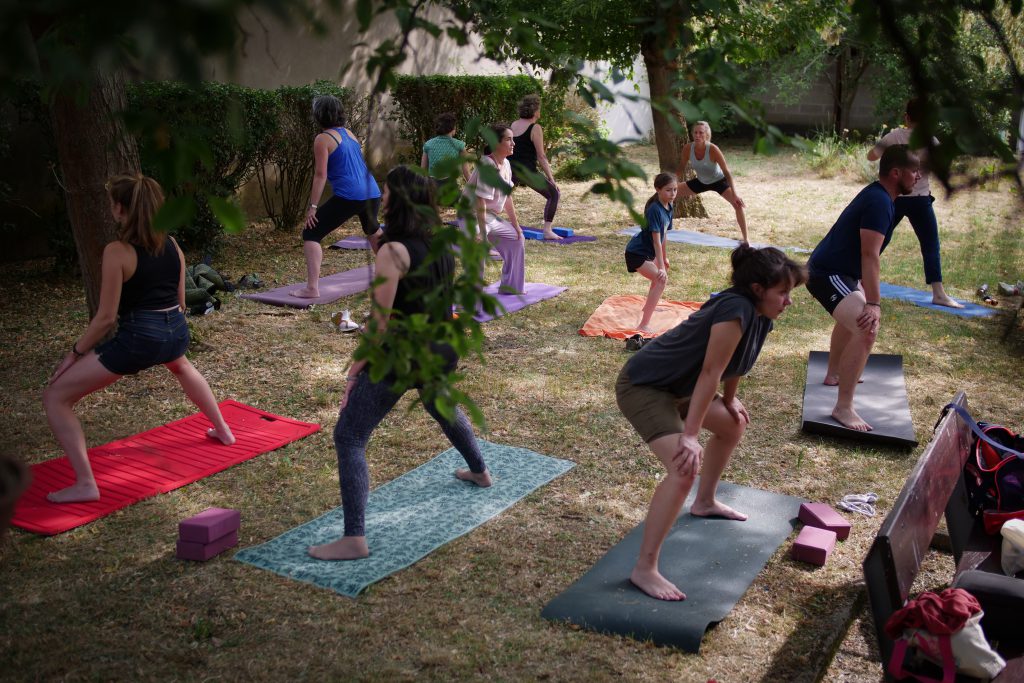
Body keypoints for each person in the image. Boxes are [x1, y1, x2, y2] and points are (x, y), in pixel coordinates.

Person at [308, 166, 492, 561]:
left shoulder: (394, 251)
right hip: (442, 344)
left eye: (387, 191)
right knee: (439, 405)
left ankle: (354, 539)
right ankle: (480, 470)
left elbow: (378, 321)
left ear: (399, 199)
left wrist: (356, 368)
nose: (382, 196)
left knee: (350, 436)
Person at [616, 245, 807, 600]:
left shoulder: (762, 316)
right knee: (683, 466)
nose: (788, 302)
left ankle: (704, 502)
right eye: (783, 293)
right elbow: (710, 371)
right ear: (757, 289)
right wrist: (689, 436)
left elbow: (738, 362)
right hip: (646, 385)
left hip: (682, 386)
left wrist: (731, 400)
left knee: (732, 425)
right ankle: (645, 568)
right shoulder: (734, 310)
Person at [42, 174, 235, 504]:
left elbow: (105, 318)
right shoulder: (173, 244)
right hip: (176, 331)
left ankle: (87, 484)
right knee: (180, 365)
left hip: (140, 339)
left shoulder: (117, 252)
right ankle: (225, 432)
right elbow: (182, 302)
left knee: (55, 397)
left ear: (119, 209)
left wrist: (74, 354)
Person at [806, 144, 921, 432]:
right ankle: (843, 408)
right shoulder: (879, 202)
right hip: (826, 273)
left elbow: (864, 255)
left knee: (853, 318)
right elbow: (869, 255)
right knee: (866, 326)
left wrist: (861, 291)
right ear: (896, 173)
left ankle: (833, 374)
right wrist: (873, 303)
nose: (918, 176)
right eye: (914, 171)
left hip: (840, 271)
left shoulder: (882, 197)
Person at [867, 99, 962, 308]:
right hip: (920, 200)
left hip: (895, 198)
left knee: (877, 242)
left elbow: (871, 156)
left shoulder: (895, 136)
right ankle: (938, 293)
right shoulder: (931, 141)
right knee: (930, 246)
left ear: (907, 117)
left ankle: (856, 278)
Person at [293, 95, 382, 299]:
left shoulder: (322, 139)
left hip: (350, 196)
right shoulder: (349, 134)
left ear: (318, 115)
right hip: (372, 192)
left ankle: (312, 288)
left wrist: (313, 206)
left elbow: (320, 175)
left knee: (311, 234)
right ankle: (390, 271)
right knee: (373, 229)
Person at [462, 123, 527, 295]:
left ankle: (511, 287)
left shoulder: (506, 164)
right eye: (509, 139)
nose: (513, 143)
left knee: (516, 239)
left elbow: (507, 198)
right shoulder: (486, 165)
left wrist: (517, 226)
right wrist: (482, 234)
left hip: (488, 215)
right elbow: (480, 201)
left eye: (513, 139)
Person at [674, 120, 748, 244]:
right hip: (701, 181)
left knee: (738, 204)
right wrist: (672, 184)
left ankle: (746, 239)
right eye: (695, 133)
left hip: (719, 181)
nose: (697, 135)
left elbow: (727, 172)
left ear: (706, 135)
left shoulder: (713, 149)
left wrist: (735, 194)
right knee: (668, 194)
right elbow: (680, 168)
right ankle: (661, 227)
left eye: (701, 133)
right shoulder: (688, 148)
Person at [624, 172, 678, 334]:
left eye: (675, 190)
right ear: (658, 189)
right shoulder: (655, 209)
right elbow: (655, 240)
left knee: (659, 278)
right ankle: (643, 324)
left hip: (648, 252)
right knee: (661, 280)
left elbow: (664, 235)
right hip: (636, 253)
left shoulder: (669, 206)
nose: (672, 194)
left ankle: (648, 308)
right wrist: (659, 265)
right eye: (668, 190)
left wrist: (664, 258)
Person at [508, 94, 561, 241]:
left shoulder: (514, 124)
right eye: (539, 108)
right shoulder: (535, 128)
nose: (540, 111)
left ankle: (480, 222)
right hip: (526, 171)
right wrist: (551, 179)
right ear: (535, 110)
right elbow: (541, 156)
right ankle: (547, 231)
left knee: (499, 197)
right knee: (554, 194)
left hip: (510, 168)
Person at [421, 111, 471, 186]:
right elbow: (466, 172)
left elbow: (423, 170)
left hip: (432, 185)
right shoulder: (459, 145)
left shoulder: (428, 144)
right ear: (453, 128)